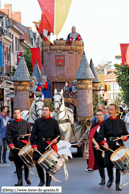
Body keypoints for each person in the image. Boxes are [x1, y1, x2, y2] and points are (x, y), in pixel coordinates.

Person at [98, 104, 128, 191]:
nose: (110, 111)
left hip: (119, 145)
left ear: (116, 110)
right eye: (109, 110)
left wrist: (125, 137)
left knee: (119, 165)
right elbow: (100, 136)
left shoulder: (121, 122)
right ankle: (110, 179)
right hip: (109, 144)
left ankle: (117, 184)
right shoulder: (105, 123)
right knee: (109, 165)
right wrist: (104, 143)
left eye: (112, 110)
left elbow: (126, 134)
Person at [31, 105, 60, 186]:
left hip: (49, 145)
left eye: (46, 110)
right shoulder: (37, 121)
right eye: (43, 110)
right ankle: (42, 180)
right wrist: (34, 145)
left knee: (49, 165)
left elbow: (58, 134)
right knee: (38, 164)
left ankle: (48, 182)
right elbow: (33, 135)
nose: (44, 111)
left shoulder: (54, 122)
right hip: (39, 145)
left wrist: (56, 140)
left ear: (50, 112)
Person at [6, 108, 31, 186]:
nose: (16, 114)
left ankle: (26, 178)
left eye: (18, 113)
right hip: (15, 145)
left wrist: (31, 137)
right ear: (13, 114)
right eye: (15, 113)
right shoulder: (10, 124)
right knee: (17, 164)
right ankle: (19, 181)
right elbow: (8, 135)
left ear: (20, 114)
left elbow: (30, 134)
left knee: (26, 163)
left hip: (24, 146)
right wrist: (10, 144)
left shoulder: (26, 123)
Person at [88, 110, 105, 185]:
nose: (98, 116)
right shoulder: (94, 125)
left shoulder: (106, 124)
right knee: (100, 163)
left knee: (108, 163)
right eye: (97, 115)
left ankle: (110, 179)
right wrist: (96, 144)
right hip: (97, 147)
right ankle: (103, 178)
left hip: (106, 146)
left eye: (100, 115)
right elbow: (91, 136)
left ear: (103, 115)